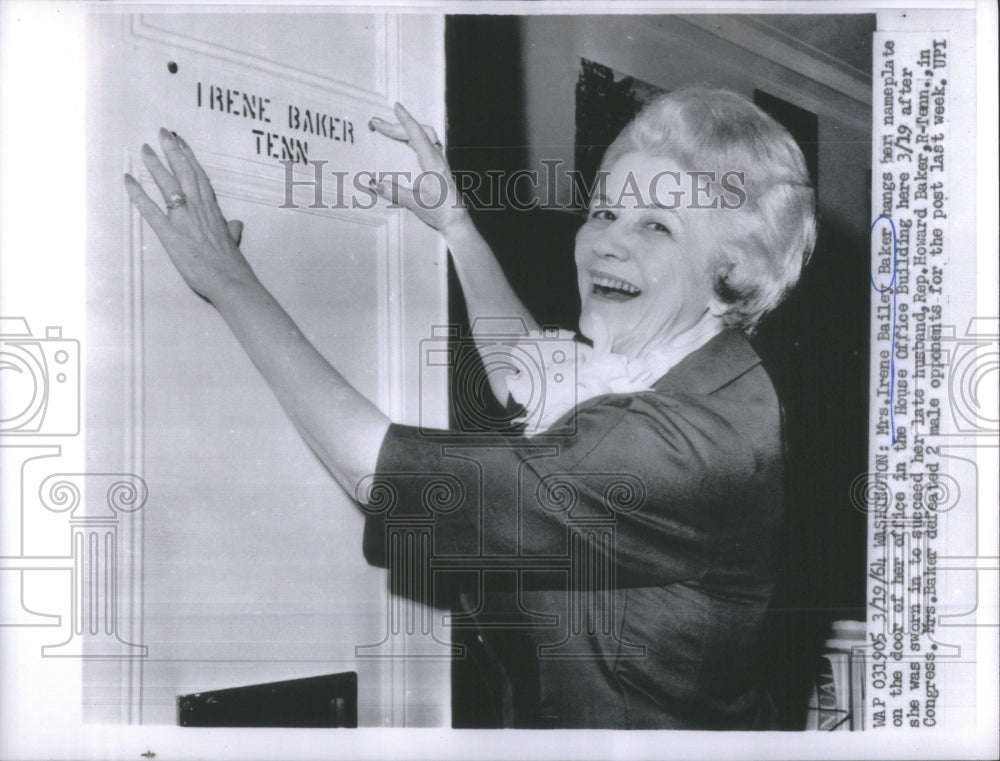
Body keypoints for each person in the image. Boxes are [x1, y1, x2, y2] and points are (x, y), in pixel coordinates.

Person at [124, 85, 816, 729]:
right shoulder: (687, 366)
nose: (609, 240)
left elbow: (382, 470)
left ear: (730, 273)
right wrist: (456, 224)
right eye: (604, 211)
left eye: (656, 227)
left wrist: (225, 275)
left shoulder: (682, 443)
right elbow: (530, 371)